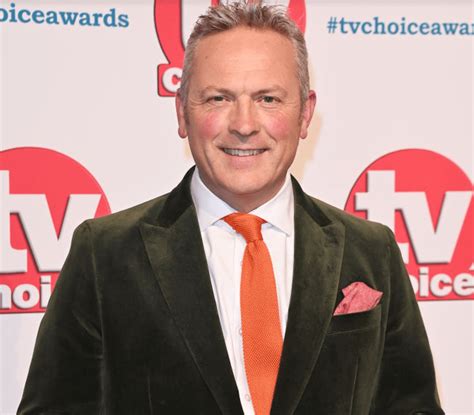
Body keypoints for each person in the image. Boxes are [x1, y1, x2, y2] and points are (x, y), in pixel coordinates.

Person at [18, 2, 444, 414]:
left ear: (305, 114)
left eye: (268, 99)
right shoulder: (105, 255)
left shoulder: (371, 251)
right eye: (218, 98)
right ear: (182, 112)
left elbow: (412, 407)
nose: (243, 125)